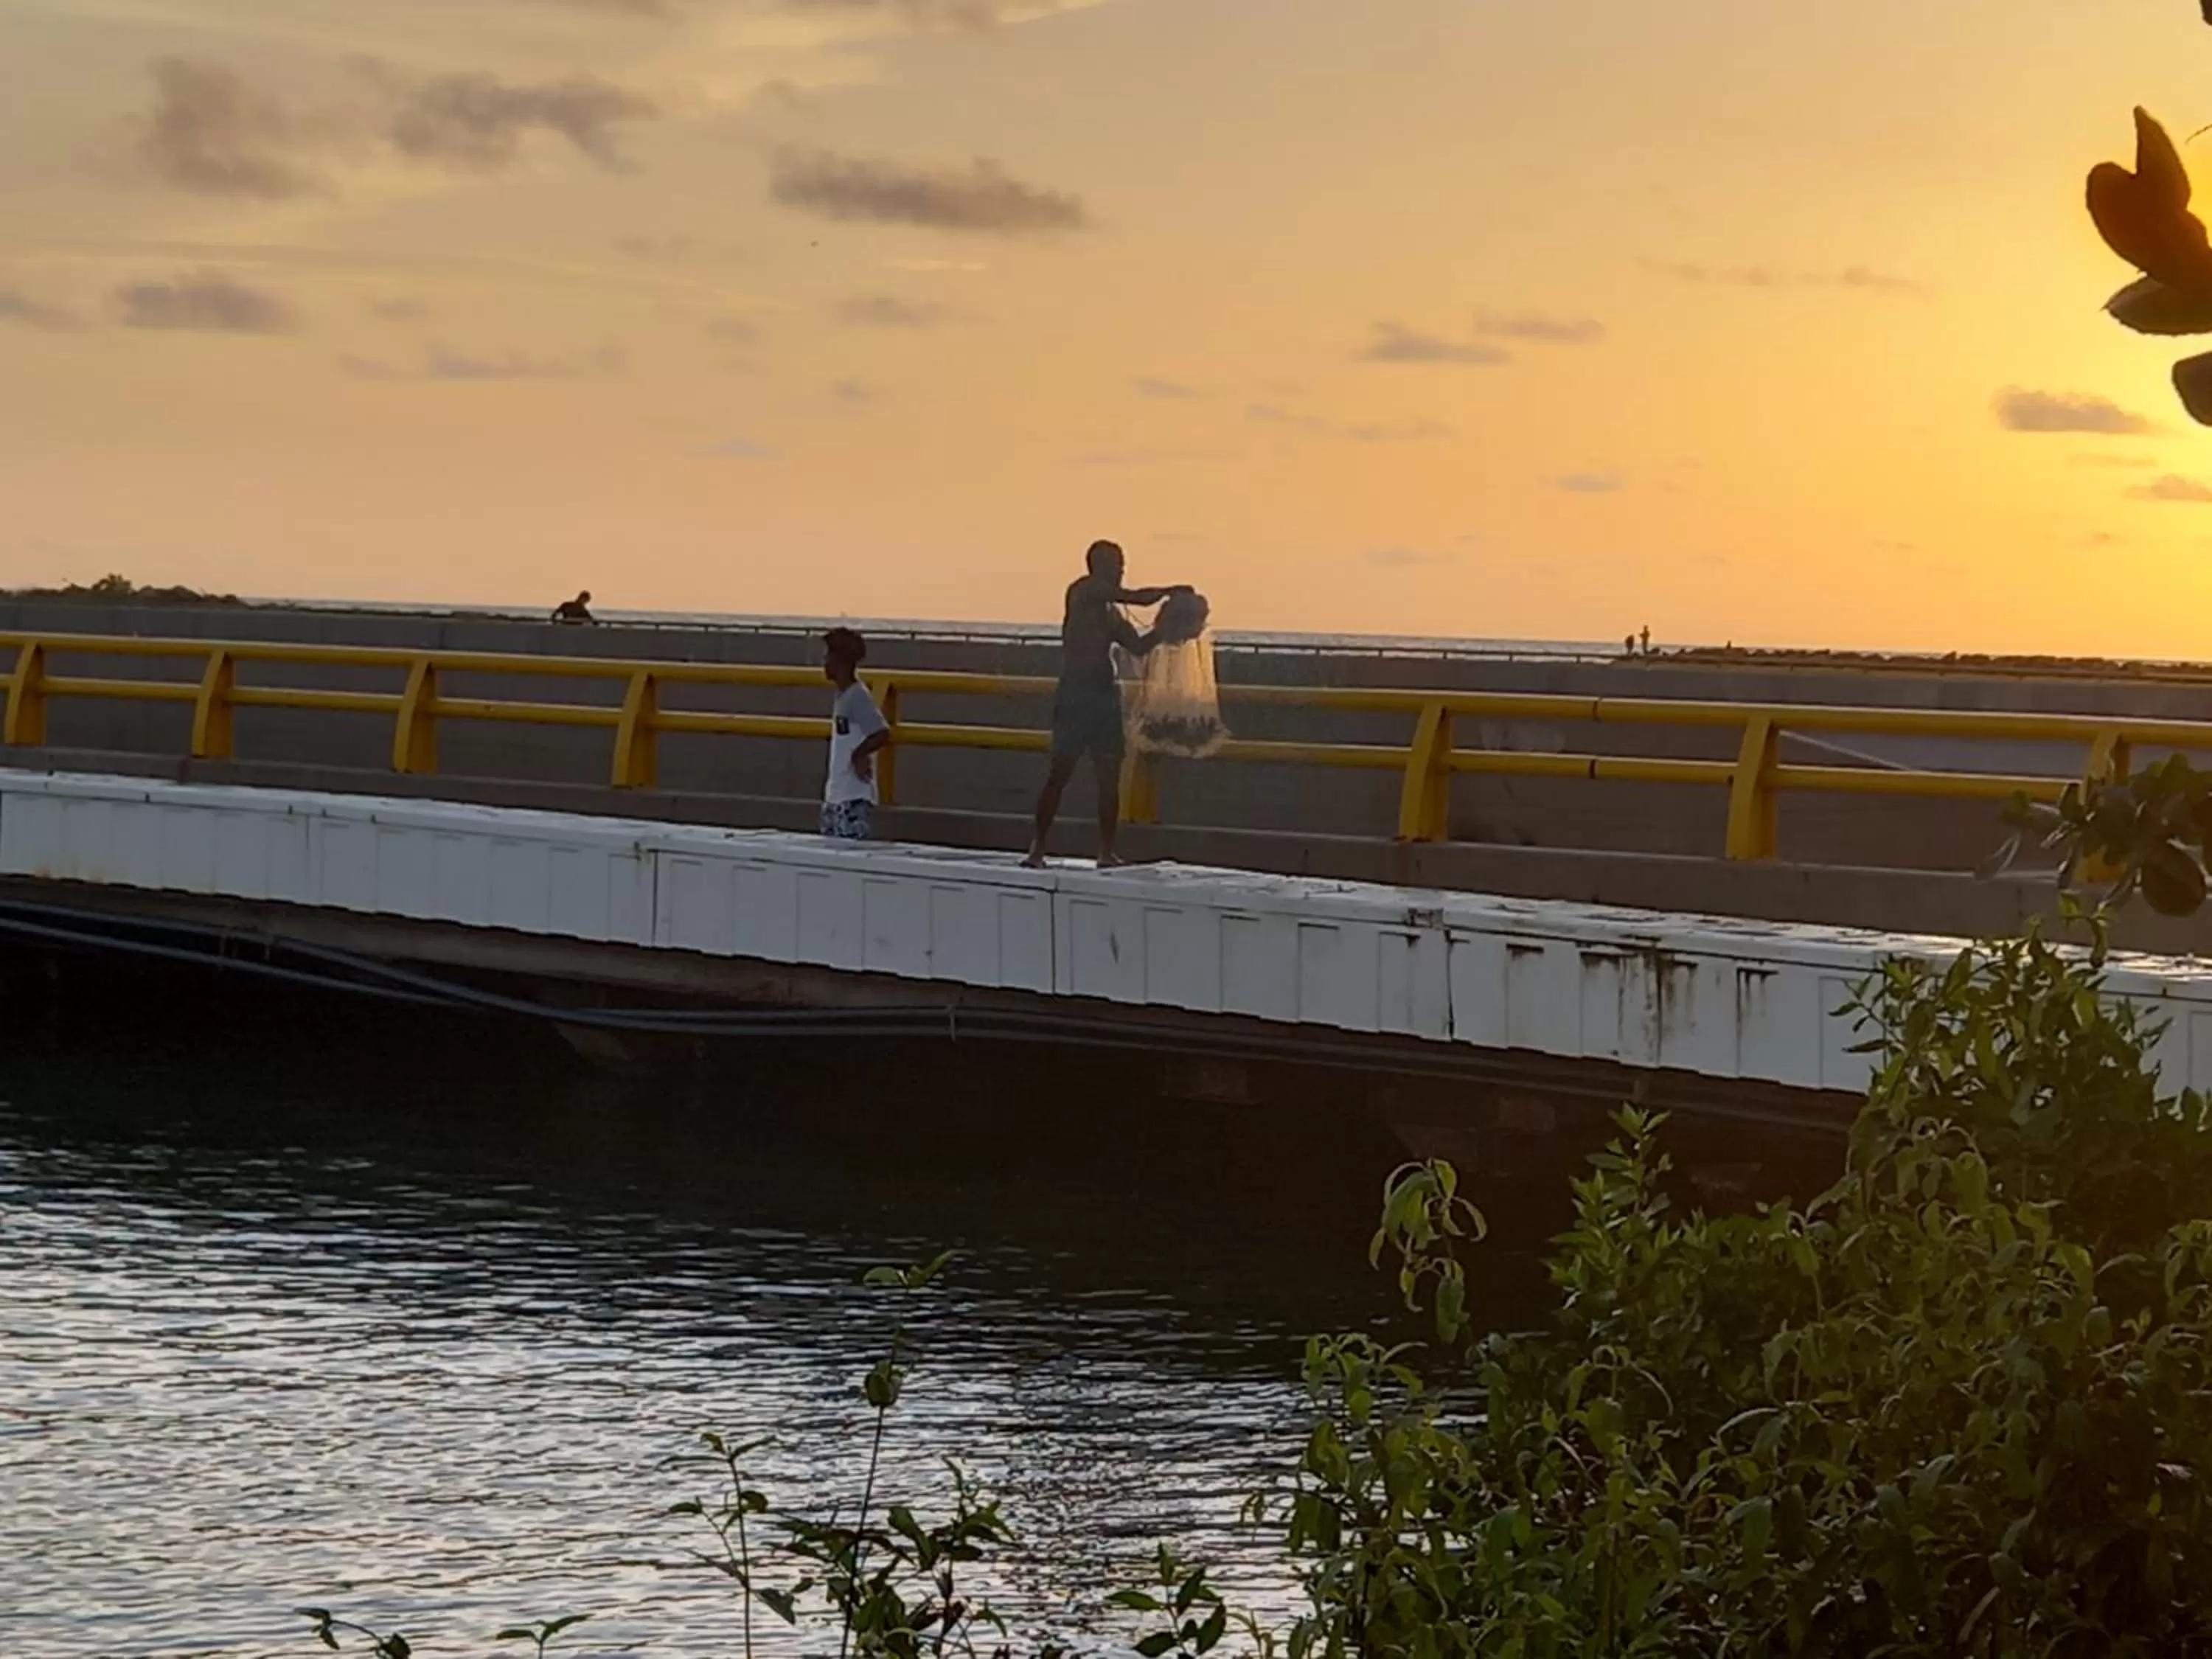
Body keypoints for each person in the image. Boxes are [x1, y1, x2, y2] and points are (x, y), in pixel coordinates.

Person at [1023, 540, 1186, 868]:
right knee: (1060, 773)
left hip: (1105, 695)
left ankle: (1106, 851)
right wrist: (1170, 591)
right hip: (1076, 694)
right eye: (1116, 563)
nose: (1121, 569)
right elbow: (1136, 597)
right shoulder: (1082, 592)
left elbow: (1139, 646)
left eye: (1122, 563)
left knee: (1109, 776)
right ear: (1097, 566)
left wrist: (1168, 628)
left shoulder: (1112, 615)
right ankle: (1037, 848)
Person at [821, 626, 889, 841]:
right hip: (837, 797)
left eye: (828, 656)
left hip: (852, 799)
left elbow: (881, 732)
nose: (824, 662)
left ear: (840, 660)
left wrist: (859, 755)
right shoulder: (843, 697)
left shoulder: (857, 696)